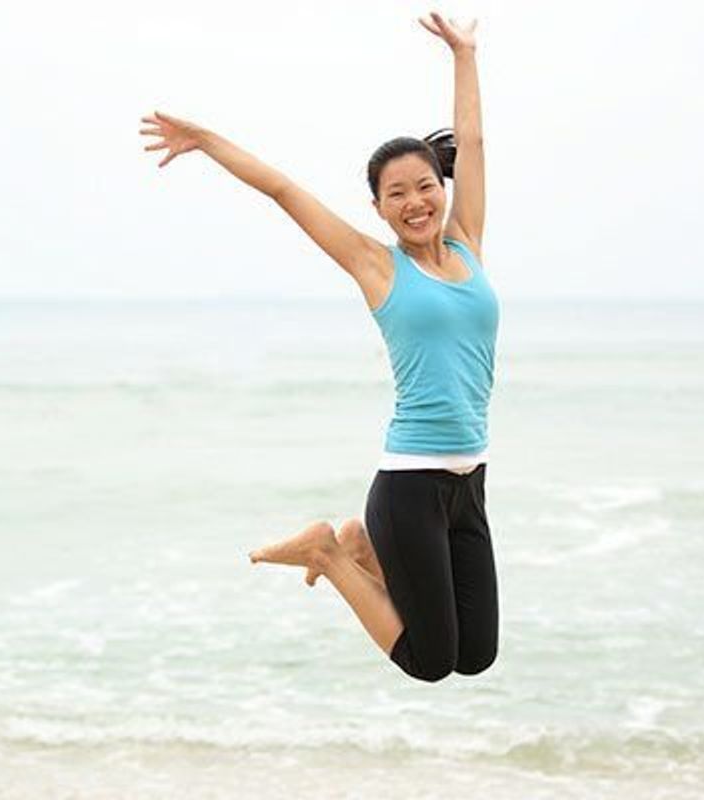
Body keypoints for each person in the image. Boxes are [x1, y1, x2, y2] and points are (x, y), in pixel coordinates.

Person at [139, 12, 498, 683]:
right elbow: (283, 191)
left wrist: (464, 55)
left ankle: (361, 549)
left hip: (470, 481)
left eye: (426, 186)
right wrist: (208, 141)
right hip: (411, 483)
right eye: (398, 195)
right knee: (430, 662)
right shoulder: (376, 267)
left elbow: (472, 140)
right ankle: (331, 553)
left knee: (476, 657)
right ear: (379, 208)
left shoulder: (467, 244)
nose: (416, 202)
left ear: (441, 190)